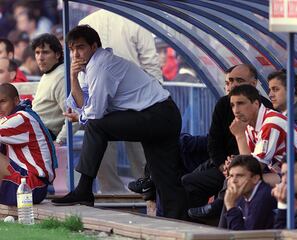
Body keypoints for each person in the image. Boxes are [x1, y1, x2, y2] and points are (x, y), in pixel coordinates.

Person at [51, 25, 187, 220]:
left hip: (158, 115)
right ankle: (178, 220)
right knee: (163, 175)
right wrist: (73, 77)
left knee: (97, 126)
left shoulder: (101, 65)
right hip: (159, 114)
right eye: (71, 49)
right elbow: (85, 105)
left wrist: (83, 116)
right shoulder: (91, 66)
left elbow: (94, 113)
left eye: (80, 47)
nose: (75, 54)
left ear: (94, 46)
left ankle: (83, 189)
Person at [79, 9, 163, 194]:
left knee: (102, 150)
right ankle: (146, 192)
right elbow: (150, 64)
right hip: (135, 100)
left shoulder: (86, 21)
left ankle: (111, 192)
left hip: (102, 97)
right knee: (140, 152)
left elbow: (81, 67)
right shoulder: (137, 20)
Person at [184, 64, 273, 220]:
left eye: (239, 80)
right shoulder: (223, 103)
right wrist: (222, 165)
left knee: (230, 179)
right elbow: (213, 141)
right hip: (224, 163)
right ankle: (196, 223)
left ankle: (217, 217)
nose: (233, 85)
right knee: (186, 179)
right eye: (230, 81)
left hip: (252, 167)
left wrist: (233, 165)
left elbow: (255, 161)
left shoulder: (266, 113)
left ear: (253, 84)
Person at [229, 84, 297, 185]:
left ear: (256, 104)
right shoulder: (249, 125)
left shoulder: (271, 123)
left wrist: (240, 136)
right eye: (232, 105)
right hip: (283, 172)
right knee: (235, 178)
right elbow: (250, 160)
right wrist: (234, 164)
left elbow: (252, 169)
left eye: (240, 103)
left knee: (247, 181)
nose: (236, 110)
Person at [0, 83, 56, 206]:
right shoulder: (13, 117)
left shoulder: (22, 118)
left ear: (16, 100)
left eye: (3, 101)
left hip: (32, 186)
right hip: (27, 183)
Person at [31, 33, 77, 146]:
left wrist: (60, 141)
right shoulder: (49, 73)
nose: (40, 58)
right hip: (33, 130)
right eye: (37, 53)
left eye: (45, 52)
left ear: (57, 54)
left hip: (43, 135)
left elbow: (73, 115)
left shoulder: (62, 77)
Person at [221, 155, 276, 230]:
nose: (234, 181)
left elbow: (245, 236)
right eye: (231, 176)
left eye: (239, 176)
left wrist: (231, 207)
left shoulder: (263, 196)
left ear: (255, 178)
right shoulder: (240, 194)